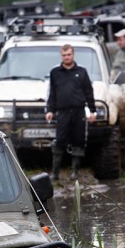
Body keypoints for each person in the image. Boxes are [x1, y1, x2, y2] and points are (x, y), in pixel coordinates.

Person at [45, 44, 97, 181]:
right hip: (62, 112)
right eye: (64, 55)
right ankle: (55, 173)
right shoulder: (55, 72)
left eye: (69, 54)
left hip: (79, 111)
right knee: (60, 140)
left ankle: (75, 172)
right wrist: (50, 110)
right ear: (61, 56)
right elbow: (52, 93)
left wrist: (92, 111)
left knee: (78, 140)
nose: (67, 57)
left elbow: (88, 92)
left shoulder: (82, 72)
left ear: (73, 55)